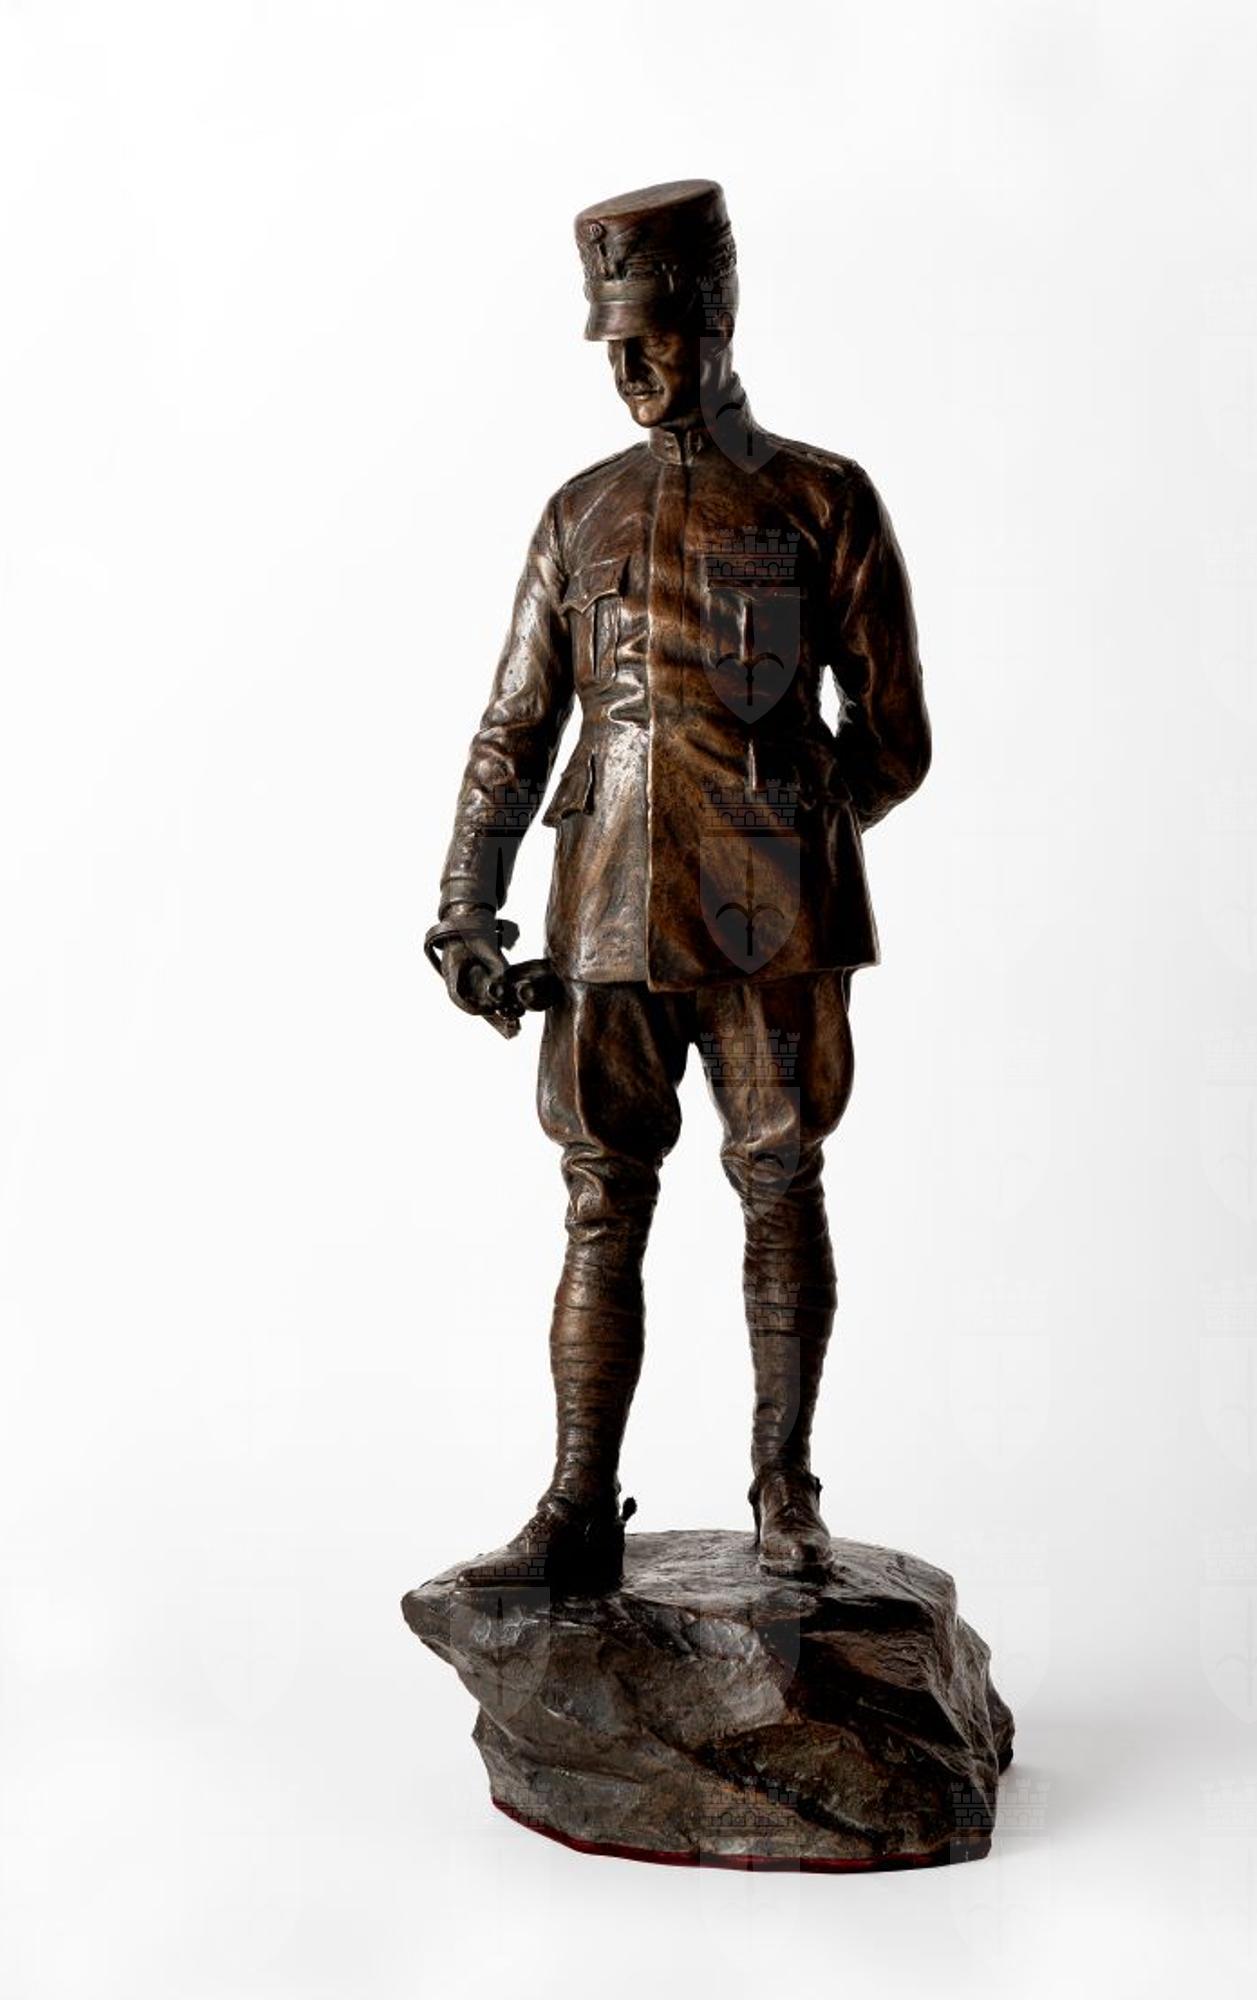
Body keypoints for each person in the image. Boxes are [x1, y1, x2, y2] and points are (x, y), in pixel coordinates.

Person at [428, 180, 930, 1594]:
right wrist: (466, 906)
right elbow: (515, 728)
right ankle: (576, 1504)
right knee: (602, 1198)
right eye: (612, 343)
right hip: (602, 915)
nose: (630, 368)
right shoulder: (579, 514)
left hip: (773, 922)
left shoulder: (822, 497)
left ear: (717, 317)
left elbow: (893, 739)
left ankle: (785, 1492)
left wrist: (791, 837)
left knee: (777, 1180)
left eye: (651, 335)